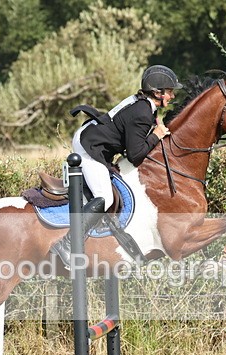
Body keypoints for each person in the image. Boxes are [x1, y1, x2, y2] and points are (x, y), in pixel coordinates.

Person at [51, 65, 183, 268]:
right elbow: (135, 155)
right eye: (170, 91)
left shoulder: (144, 105)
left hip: (95, 139)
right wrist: (156, 135)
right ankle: (67, 243)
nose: (173, 95)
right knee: (105, 197)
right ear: (157, 92)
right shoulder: (142, 112)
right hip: (89, 147)